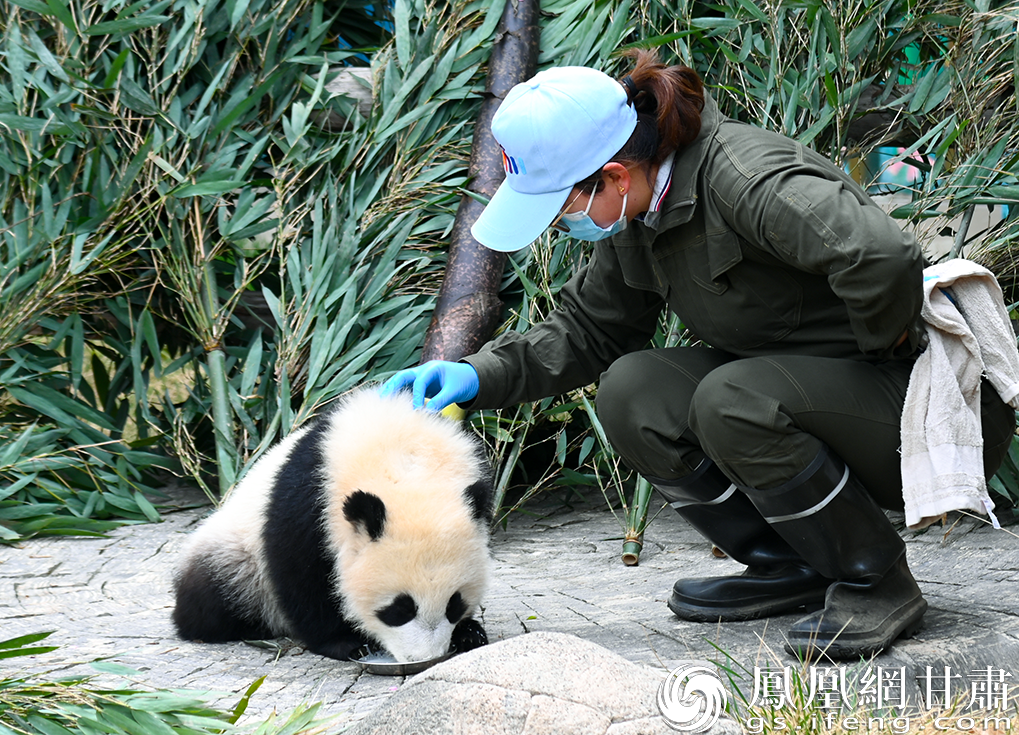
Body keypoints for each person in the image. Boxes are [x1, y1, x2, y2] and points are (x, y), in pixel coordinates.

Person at [381, 50, 1016, 660]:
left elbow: (880, 255)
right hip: (800, 390)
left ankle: (876, 578)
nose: (560, 225)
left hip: (914, 403)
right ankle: (790, 564)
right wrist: (473, 374)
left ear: (614, 175)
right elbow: (588, 333)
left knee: (732, 399)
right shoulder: (638, 215)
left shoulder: (743, 178)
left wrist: (885, 345)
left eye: (564, 206)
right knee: (633, 390)